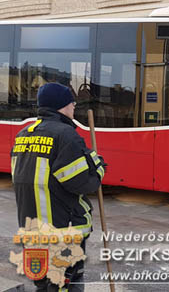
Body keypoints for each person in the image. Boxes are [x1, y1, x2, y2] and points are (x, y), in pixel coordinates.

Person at [11, 82, 106, 291]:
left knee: (43, 283)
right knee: (66, 284)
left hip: (31, 229)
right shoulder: (65, 135)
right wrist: (98, 168)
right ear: (63, 106)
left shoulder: (23, 135)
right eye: (73, 104)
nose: (74, 108)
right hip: (63, 229)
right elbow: (79, 183)